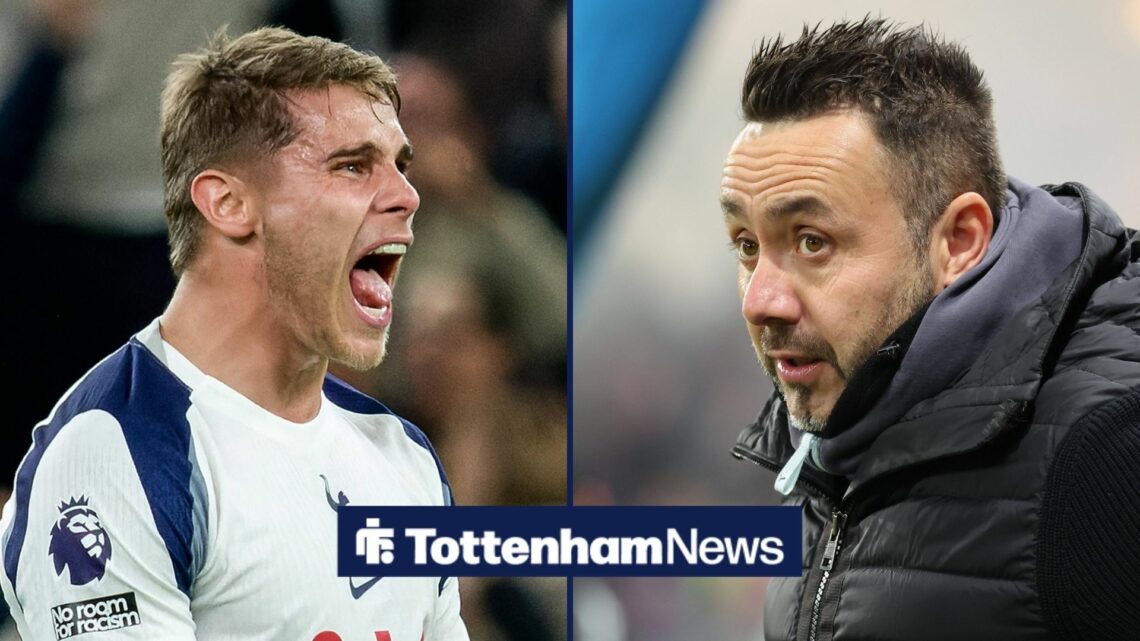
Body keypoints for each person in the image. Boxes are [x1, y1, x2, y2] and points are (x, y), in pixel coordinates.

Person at [0, 27, 469, 641]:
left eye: (400, 167)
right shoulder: (118, 452)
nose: (407, 196)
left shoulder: (402, 455)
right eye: (352, 165)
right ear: (227, 204)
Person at [722, 18, 1140, 641]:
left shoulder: (1107, 456)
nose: (761, 301)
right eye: (748, 246)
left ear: (959, 241)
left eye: (813, 242)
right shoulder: (833, 444)